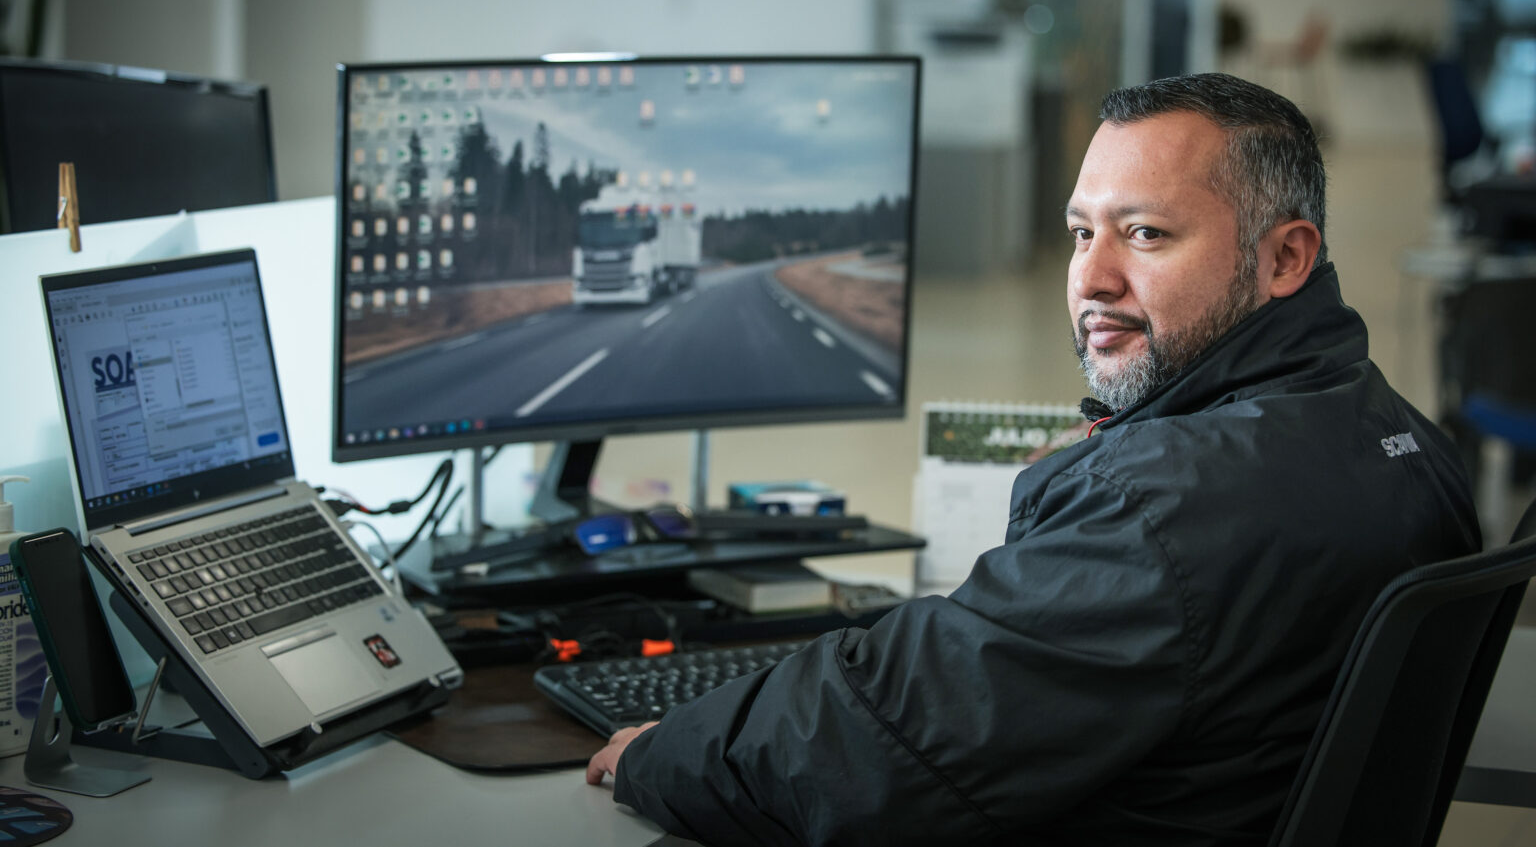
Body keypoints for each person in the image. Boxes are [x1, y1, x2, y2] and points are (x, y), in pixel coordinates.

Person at [585, 73, 1480, 847]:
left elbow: (882, 745)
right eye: (1082, 232)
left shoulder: (1165, 505)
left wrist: (667, 752)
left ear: (1285, 256)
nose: (1091, 278)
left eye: (1146, 234)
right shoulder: (1405, 442)